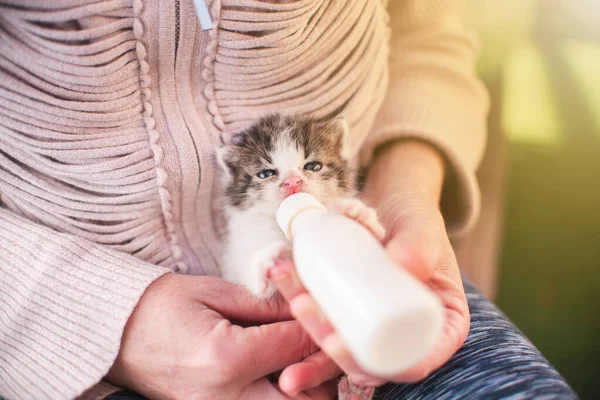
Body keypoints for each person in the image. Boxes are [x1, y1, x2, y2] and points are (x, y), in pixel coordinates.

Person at [0, 1, 576, 399]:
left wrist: (405, 192)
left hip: (372, 279)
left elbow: (426, 33)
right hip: (57, 341)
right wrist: (105, 327)